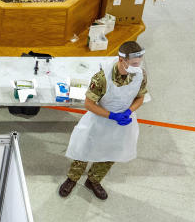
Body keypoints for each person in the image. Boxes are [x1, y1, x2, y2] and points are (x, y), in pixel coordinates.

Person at [60, 41, 149, 201]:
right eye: (134, 63)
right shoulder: (102, 78)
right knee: (84, 149)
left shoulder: (140, 74)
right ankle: (72, 178)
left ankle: (93, 181)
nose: (138, 67)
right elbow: (88, 104)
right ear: (122, 60)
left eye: (139, 63)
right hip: (99, 120)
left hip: (123, 122)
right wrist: (112, 115)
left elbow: (140, 97)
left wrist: (129, 111)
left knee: (111, 152)